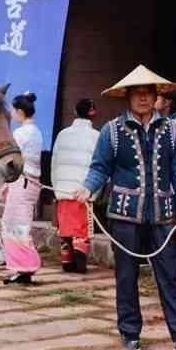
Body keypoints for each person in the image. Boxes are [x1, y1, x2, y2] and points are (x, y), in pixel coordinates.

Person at [76, 65, 176, 350]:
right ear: (128, 97)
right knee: (126, 275)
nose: (143, 98)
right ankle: (130, 331)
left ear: (157, 96)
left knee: (170, 277)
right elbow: (100, 167)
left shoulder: (172, 132)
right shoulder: (112, 132)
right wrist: (88, 188)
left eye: (148, 92)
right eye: (137, 93)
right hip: (124, 216)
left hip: (162, 215)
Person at [51, 98, 99, 274]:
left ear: (75, 112)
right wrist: (94, 192)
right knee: (81, 230)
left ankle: (67, 262)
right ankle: (80, 264)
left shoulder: (62, 134)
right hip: (82, 189)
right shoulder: (96, 136)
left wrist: (56, 186)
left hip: (63, 188)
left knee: (66, 229)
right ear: (92, 113)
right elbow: (98, 166)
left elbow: (54, 163)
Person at [0, 92, 43, 285]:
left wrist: (7, 183)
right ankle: (22, 267)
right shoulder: (36, 132)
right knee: (19, 224)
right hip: (30, 182)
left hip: (22, 181)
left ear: (19, 111)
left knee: (14, 224)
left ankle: (24, 266)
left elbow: (14, 162)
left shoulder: (20, 133)